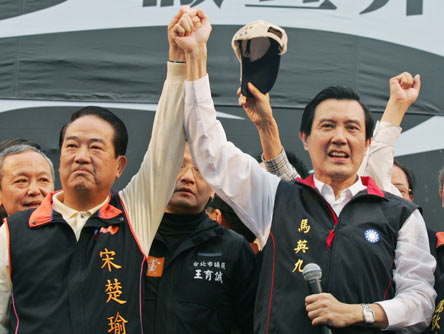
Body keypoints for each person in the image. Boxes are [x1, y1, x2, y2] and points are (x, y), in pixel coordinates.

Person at [174, 12, 435, 333]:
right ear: (306, 139)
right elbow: (210, 152)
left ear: (367, 143)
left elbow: (421, 301)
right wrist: (196, 55)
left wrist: (359, 312)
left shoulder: (401, 215)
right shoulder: (276, 198)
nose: (339, 136)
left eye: (351, 128)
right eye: (327, 126)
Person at [0, 8, 189, 333]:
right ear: (60, 159)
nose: (81, 156)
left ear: (120, 166)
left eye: (96, 147)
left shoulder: (134, 216)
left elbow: (166, 147)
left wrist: (179, 61)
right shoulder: (12, 232)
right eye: (72, 146)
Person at [144, 143, 257, 333]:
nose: (188, 177)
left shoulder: (233, 249)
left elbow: (252, 324)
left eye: (200, 170)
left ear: (214, 187)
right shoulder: (131, 238)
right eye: (178, 165)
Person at [0, 144, 54, 221]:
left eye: (43, 180)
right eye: (22, 181)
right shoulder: (3, 232)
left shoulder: (70, 231)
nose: (34, 190)